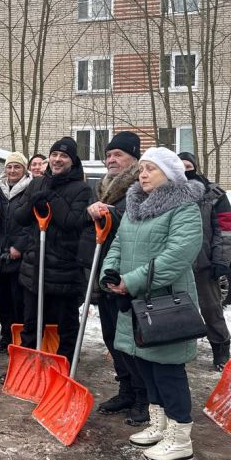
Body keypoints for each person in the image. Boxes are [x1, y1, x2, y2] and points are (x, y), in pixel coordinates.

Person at [101, 147, 203, 460]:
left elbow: (177, 256)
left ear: (170, 174)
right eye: (142, 168)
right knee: (145, 364)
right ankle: (159, 425)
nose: (143, 174)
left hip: (165, 304)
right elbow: (118, 244)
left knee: (168, 369)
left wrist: (130, 281)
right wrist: (110, 273)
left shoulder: (183, 208)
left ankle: (180, 438)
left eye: (151, 169)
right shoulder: (135, 207)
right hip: (136, 302)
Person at [86, 132, 149, 425]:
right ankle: (126, 389)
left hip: (130, 274)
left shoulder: (142, 185)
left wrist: (111, 213)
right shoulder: (104, 187)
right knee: (111, 336)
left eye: (118, 155)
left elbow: (142, 224)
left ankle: (143, 396)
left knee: (131, 339)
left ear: (133, 158)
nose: (111, 160)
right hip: (107, 271)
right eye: (108, 155)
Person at [15, 137, 92, 364]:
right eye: (54, 154)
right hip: (35, 265)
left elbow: (71, 222)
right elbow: (20, 217)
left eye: (64, 156)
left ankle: (64, 364)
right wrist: (33, 202)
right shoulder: (36, 183)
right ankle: (27, 365)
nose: (58, 159)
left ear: (73, 160)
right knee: (31, 322)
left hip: (64, 268)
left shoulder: (82, 189)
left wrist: (51, 196)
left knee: (66, 323)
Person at [178, 152, 231, 371]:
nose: (185, 171)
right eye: (180, 166)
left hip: (203, 263)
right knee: (173, 309)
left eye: (189, 166)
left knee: (211, 309)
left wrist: (221, 260)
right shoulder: (167, 191)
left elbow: (225, 229)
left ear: (196, 167)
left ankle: (221, 347)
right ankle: (175, 349)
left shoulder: (213, 194)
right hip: (174, 263)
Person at [0, 152, 32, 353]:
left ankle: (21, 337)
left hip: (19, 255)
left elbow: (32, 222)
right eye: (9, 167)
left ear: (24, 169)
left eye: (17, 167)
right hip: (0, 254)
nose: (12, 170)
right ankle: (6, 335)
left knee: (19, 300)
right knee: (3, 299)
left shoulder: (30, 190)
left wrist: (19, 247)